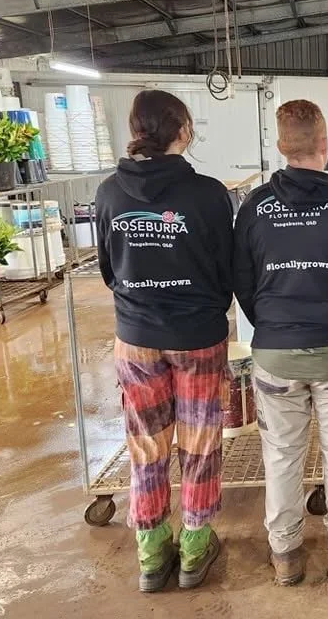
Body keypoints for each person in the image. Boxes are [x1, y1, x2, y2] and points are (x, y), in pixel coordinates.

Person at [233, 99, 328, 585]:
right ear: (325, 146)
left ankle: (285, 555)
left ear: (281, 147)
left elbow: (241, 280)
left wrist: (273, 325)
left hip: (276, 348)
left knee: (282, 453)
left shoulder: (256, 207)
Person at [95, 90, 234, 592]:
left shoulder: (109, 193)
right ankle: (195, 548)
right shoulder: (210, 195)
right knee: (199, 442)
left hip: (136, 337)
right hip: (198, 336)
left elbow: (108, 270)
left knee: (145, 445)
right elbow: (227, 268)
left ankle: (152, 554)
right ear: (184, 131)